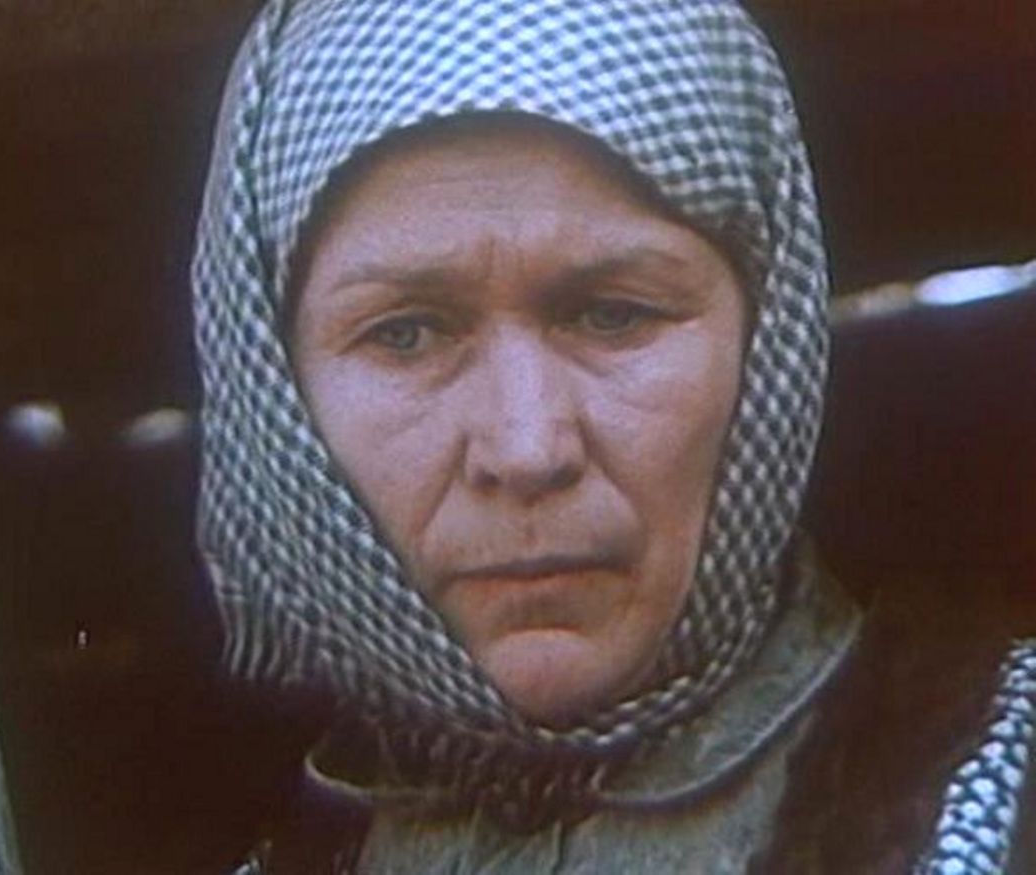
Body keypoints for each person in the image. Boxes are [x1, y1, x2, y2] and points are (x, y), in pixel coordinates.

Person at [191, 1, 1036, 871]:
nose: (526, 448)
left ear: (768, 346)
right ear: (278, 401)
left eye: (613, 313)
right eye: (405, 333)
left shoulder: (999, 799)